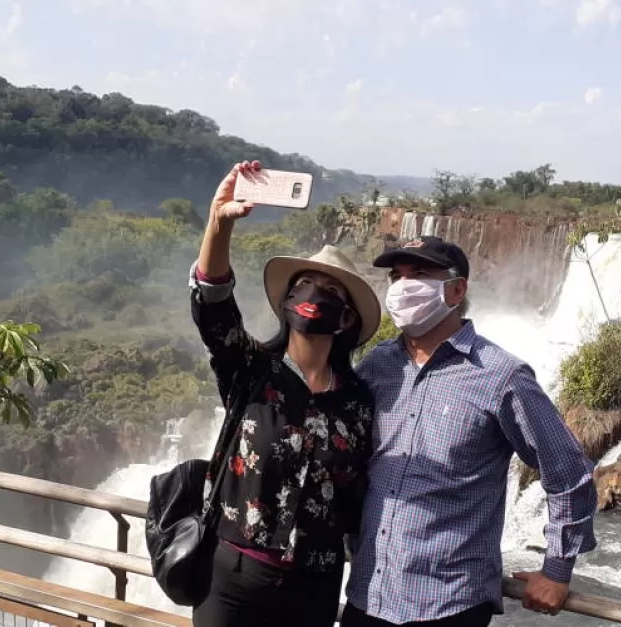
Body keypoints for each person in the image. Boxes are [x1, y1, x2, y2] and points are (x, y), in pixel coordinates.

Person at [343, 236, 598, 627]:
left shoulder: (502, 375)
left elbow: (568, 472)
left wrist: (557, 570)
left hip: (448, 605)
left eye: (421, 274)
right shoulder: (378, 366)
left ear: (457, 288)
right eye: (397, 276)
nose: (403, 286)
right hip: (368, 593)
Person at [189, 160, 382, 627]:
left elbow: (361, 499)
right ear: (287, 301)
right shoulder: (252, 369)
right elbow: (212, 305)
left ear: (347, 320)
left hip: (313, 587)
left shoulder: (358, 402)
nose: (314, 293)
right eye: (304, 284)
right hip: (233, 578)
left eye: (331, 290)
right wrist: (218, 222)